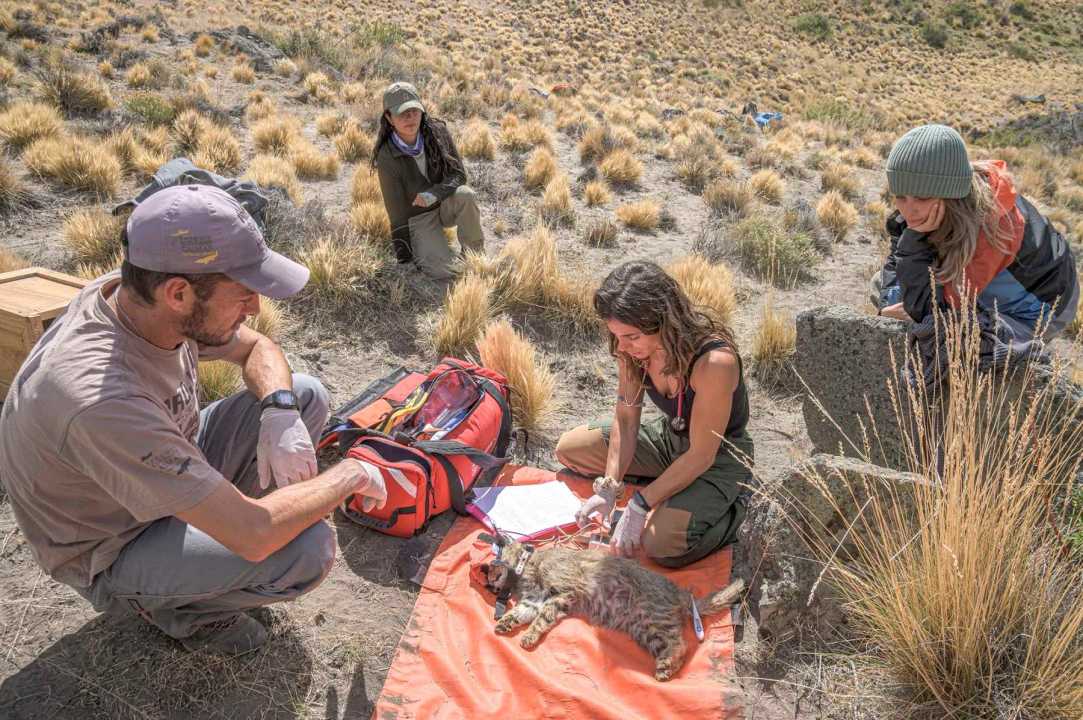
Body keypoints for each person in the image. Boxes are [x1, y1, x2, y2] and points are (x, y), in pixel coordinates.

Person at [0, 185, 388, 656]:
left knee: (303, 396)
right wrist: (350, 474)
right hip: (115, 543)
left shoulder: (143, 296)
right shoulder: (102, 399)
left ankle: (213, 531)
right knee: (304, 550)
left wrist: (279, 411)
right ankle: (179, 610)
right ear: (179, 294)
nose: (256, 308)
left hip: (153, 466)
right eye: (244, 294)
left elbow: (257, 346)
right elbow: (256, 533)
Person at [554, 261, 754, 568]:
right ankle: (673, 487)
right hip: (670, 438)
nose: (622, 347)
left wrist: (639, 505)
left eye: (632, 337)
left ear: (664, 321)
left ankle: (741, 508)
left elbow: (701, 455)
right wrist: (608, 487)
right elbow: (626, 419)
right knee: (572, 447)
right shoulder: (632, 351)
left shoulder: (714, 363)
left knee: (662, 545)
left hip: (720, 456)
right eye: (617, 335)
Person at [871, 124, 1078, 340]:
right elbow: (897, 266)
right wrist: (888, 310)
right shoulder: (927, 196)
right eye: (900, 196)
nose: (908, 209)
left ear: (950, 195)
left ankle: (1029, 349)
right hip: (982, 289)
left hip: (1039, 311)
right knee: (885, 284)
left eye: (922, 198)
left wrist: (913, 243)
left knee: (956, 336)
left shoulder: (992, 230)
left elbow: (934, 316)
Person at [373, 81, 484, 280]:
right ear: (389, 117)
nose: (410, 117)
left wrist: (434, 194)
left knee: (466, 195)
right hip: (419, 218)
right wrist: (405, 260)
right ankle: (437, 252)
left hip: (444, 203)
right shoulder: (387, 156)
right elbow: (396, 214)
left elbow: (459, 175)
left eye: (414, 110)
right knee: (442, 272)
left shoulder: (437, 131)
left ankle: (475, 256)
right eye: (402, 113)